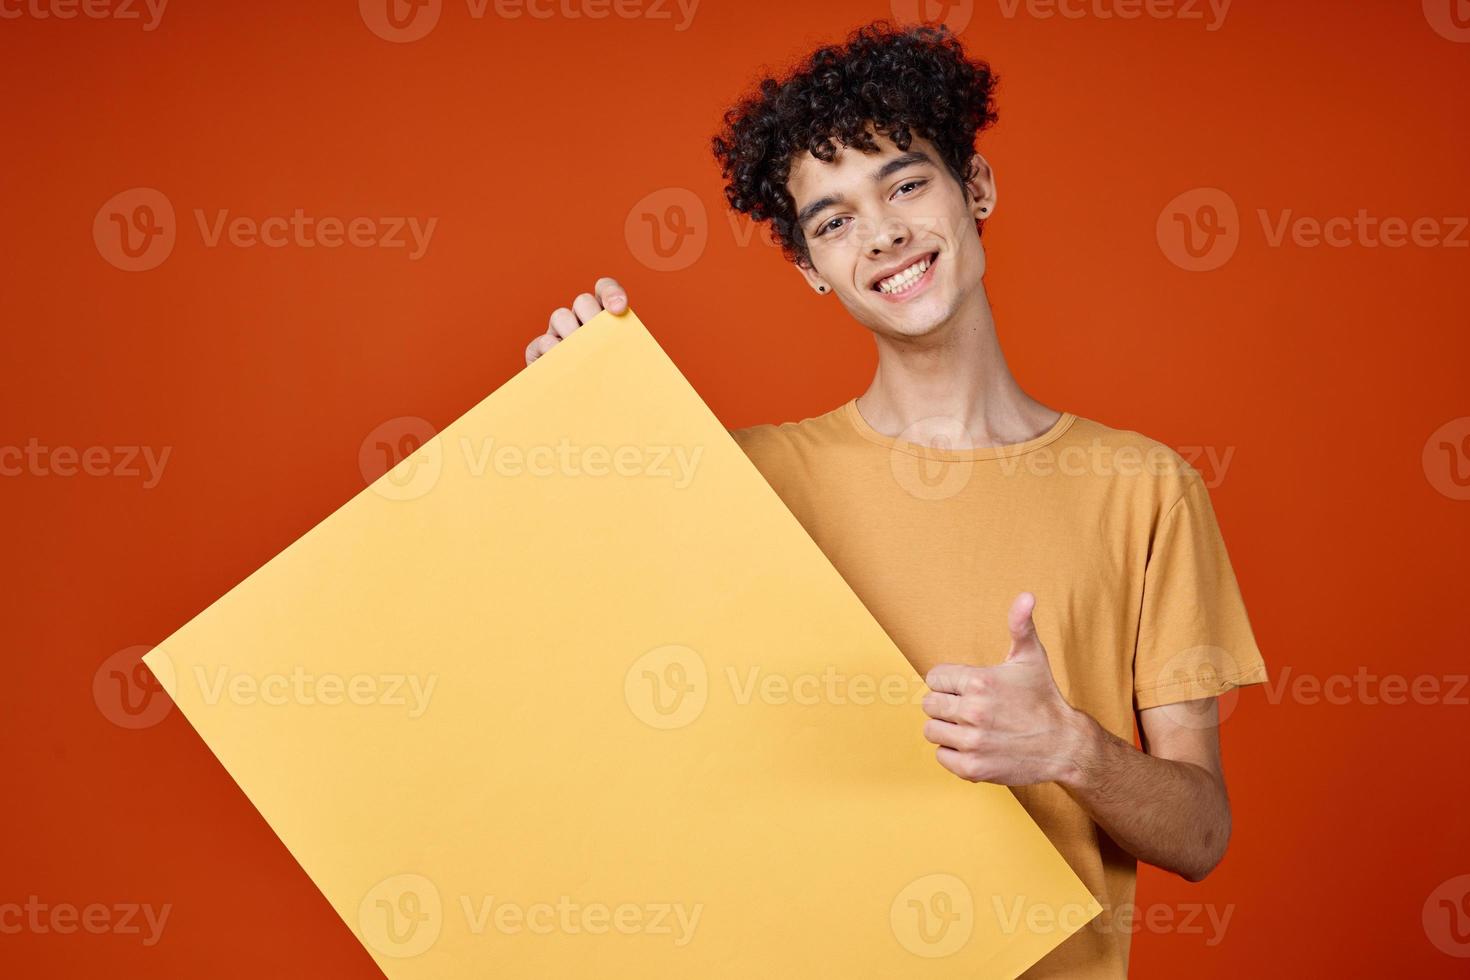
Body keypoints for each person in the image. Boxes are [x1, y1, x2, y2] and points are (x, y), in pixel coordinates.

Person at [522, 20, 1266, 978]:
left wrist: (1068, 747)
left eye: (906, 182)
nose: (882, 235)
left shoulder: (1145, 488)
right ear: (809, 270)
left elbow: (1202, 835)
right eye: (832, 221)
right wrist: (558, 430)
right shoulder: (737, 482)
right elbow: (575, 685)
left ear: (977, 189)